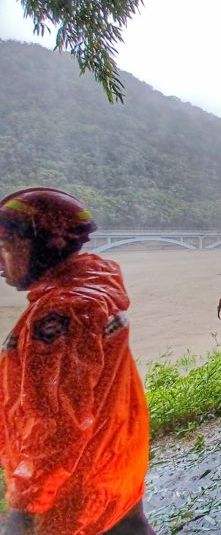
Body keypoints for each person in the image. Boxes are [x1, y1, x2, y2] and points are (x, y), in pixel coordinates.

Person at [0, 188, 154, 535]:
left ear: (39, 246)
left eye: (6, 246)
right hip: (116, 460)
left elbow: (54, 420)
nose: (0, 260)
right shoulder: (96, 293)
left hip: (76, 488)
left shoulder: (61, 312)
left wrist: (25, 507)